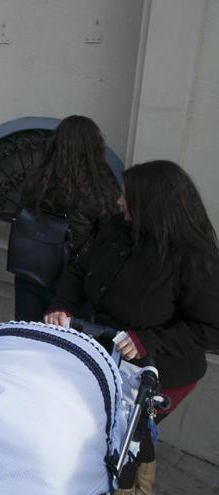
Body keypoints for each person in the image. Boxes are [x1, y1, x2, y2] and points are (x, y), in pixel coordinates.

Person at [45, 160, 219, 493]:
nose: (119, 202)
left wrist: (148, 340)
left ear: (153, 205)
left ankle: (131, 485)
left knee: (126, 437)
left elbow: (213, 328)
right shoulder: (117, 228)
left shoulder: (196, 260)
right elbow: (80, 271)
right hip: (106, 356)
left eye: (127, 196)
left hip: (160, 372)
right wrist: (59, 305)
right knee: (105, 434)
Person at [13, 115, 120, 321]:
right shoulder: (103, 192)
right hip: (73, 284)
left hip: (31, 270)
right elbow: (106, 245)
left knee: (27, 339)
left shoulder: (36, 181)